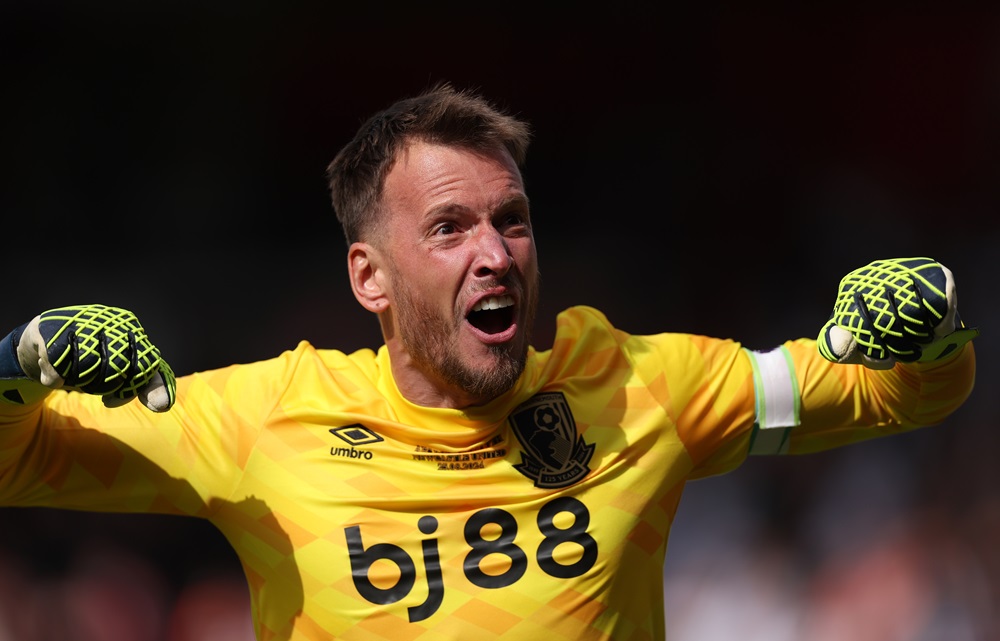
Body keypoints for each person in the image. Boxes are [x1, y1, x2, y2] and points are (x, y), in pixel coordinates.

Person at [0, 81, 979, 641]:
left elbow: (892, 392)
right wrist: (22, 360)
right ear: (369, 278)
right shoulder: (261, 418)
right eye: (449, 227)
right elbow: (17, 457)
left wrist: (928, 325)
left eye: (511, 220)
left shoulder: (642, 386)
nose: (495, 251)